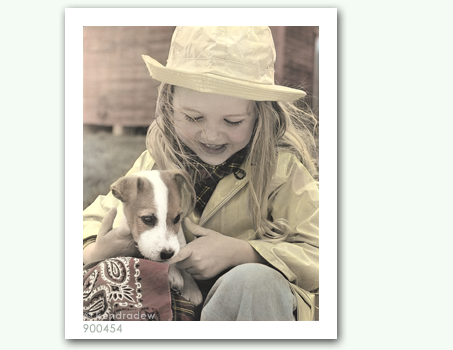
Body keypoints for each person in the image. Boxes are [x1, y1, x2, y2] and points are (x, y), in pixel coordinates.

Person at [83, 26, 319, 321]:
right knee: (111, 276)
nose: (211, 134)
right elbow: (88, 222)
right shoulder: (156, 165)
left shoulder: (283, 173)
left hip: (249, 312)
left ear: (261, 114)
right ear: (169, 107)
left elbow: (324, 254)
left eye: (232, 121)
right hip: (177, 307)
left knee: (253, 281)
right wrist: (95, 251)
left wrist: (245, 252)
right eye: (194, 117)